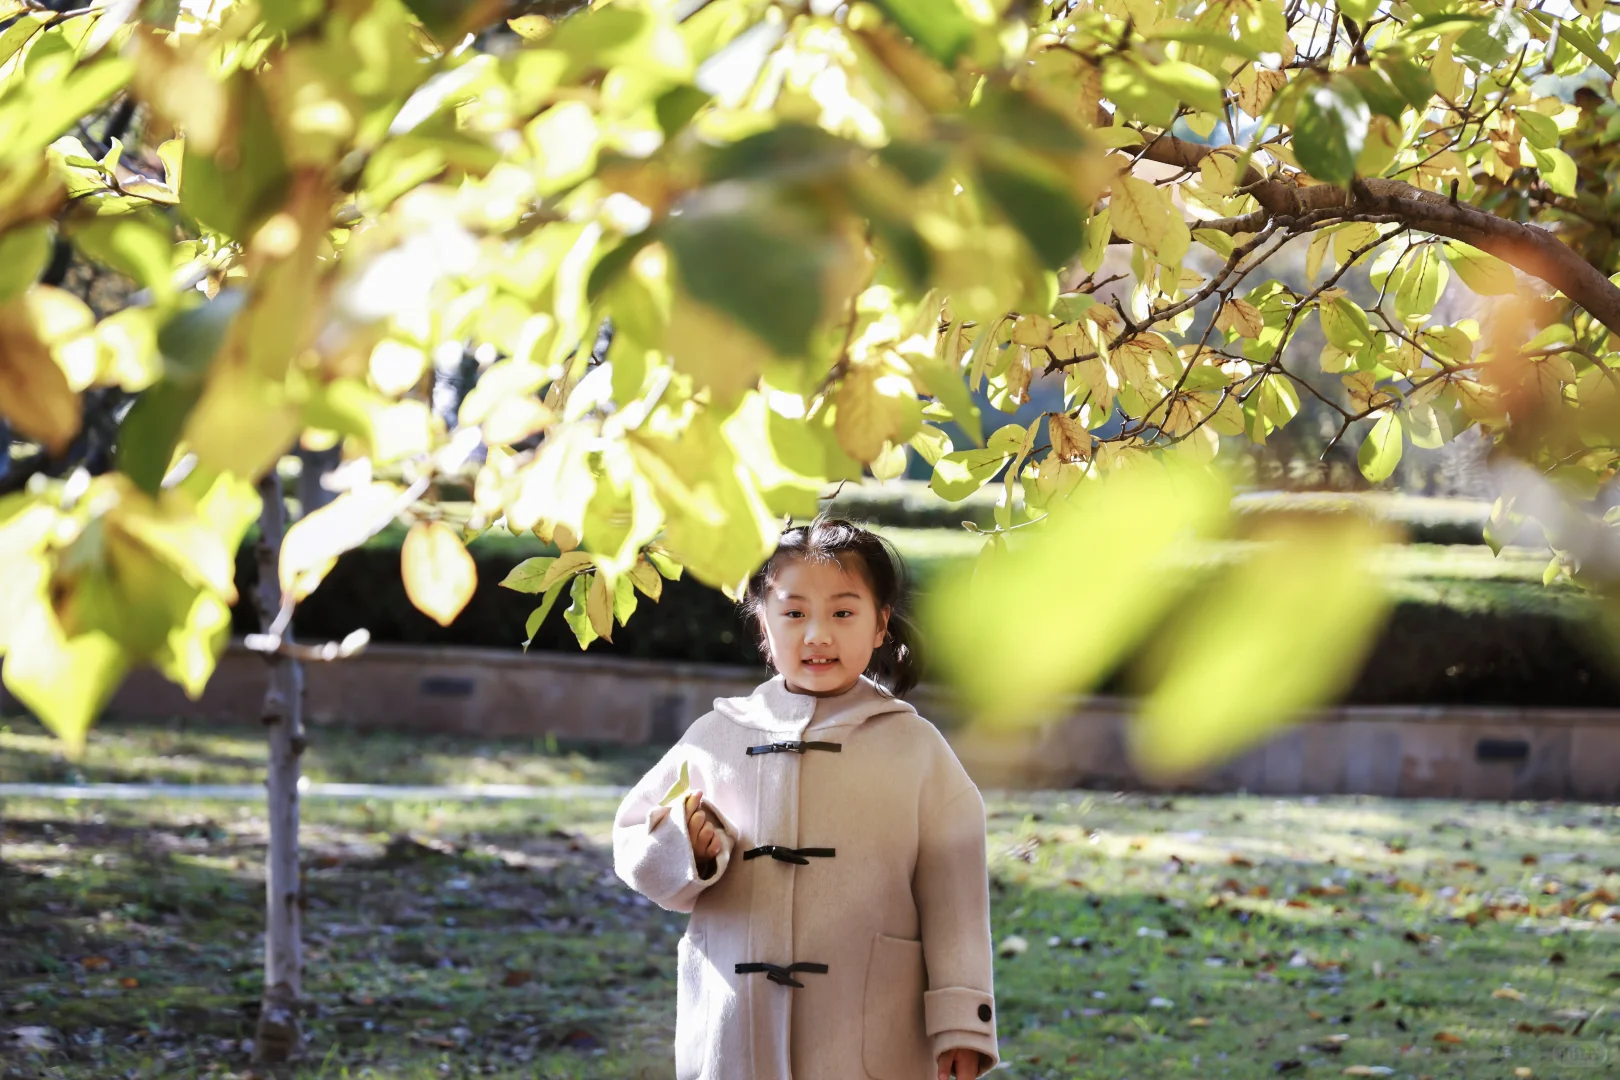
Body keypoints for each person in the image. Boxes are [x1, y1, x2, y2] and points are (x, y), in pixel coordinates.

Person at [612, 517, 998, 1080]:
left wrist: (963, 1022)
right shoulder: (715, 737)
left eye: (843, 613)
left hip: (871, 1028)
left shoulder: (916, 751)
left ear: (880, 625)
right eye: (793, 613)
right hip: (733, 1029)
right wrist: (685, 848)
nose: (817, 634)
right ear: (764, 625)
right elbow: (634, 846)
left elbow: (957, 903)